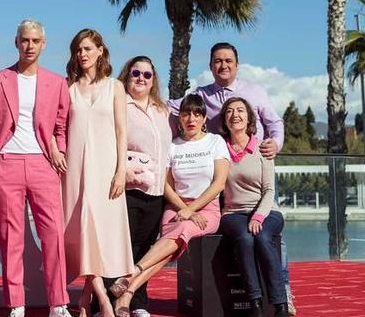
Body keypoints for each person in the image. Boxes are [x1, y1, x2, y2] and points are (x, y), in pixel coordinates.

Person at [169, 42, 294, 315]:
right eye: (217, 61)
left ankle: (283, 292)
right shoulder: (202, 94)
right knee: (244, 235)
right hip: (226, 179)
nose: (223, 65)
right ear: (211, 65)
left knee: (270, 235)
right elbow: (174, 108)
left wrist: (276, 143)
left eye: (228, 60)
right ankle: (254, 302)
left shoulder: (256, 92)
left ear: (237, 64)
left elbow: (274, 123)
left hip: (257, 167)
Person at [0, 19, 71, 317]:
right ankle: (16, 304)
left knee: (53, 234)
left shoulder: (57, 83)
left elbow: (61, 125)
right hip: (7, 164)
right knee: (10, 237)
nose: (29, 46)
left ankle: (58, 303)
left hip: (43, 164)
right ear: (16, 42)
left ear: (44, 44)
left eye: (35, 41)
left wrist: (59, 150)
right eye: (24, 40)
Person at [110, 94, 229, 317]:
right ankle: (127, 294)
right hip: (176, 206)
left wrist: (191, 210)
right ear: (180, 119)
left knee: (181, 232)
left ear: (204, 118)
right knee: (168, 247)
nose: (191, 118)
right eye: (186, 114)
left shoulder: (216, 142)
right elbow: (165, 184)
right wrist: (182, 208)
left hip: (206, 210)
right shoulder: (173, 146)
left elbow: (219, 183)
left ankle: (130, 276)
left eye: (197, 114)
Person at [62, 28, 133, 317]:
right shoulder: (68, 88)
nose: (83, 55)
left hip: (106, 169)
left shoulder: (115, 87)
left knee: (100, 234)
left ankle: (85, 298)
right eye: (78, 50)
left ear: (100, 51)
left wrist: (121, 171)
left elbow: (121, 131)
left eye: (88, 49)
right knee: (81, 231)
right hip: (74, 169)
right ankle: (103, 300)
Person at [106, 56, 173, 317]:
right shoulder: (120, 103)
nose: (141, 79)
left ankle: (138, 302)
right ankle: (108, 301)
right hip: (128, 188)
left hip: (156, 192)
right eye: (136, 73)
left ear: (153, 79)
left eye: (147, 75)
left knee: (144, 248)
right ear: (127, 74)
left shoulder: (162, 110)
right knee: (121, 247)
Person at [219, 97, 288, 317]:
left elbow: (269, 190)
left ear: (249, 118)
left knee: (262, 237)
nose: (235, 115)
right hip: (233, 213)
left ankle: (281, 306)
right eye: (229, 111)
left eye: (240, 110)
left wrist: (258, 216)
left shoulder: (263, 147)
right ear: (224, 119)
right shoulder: (218, 148)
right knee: (246, 238)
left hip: (267, 211)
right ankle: (255, 304)